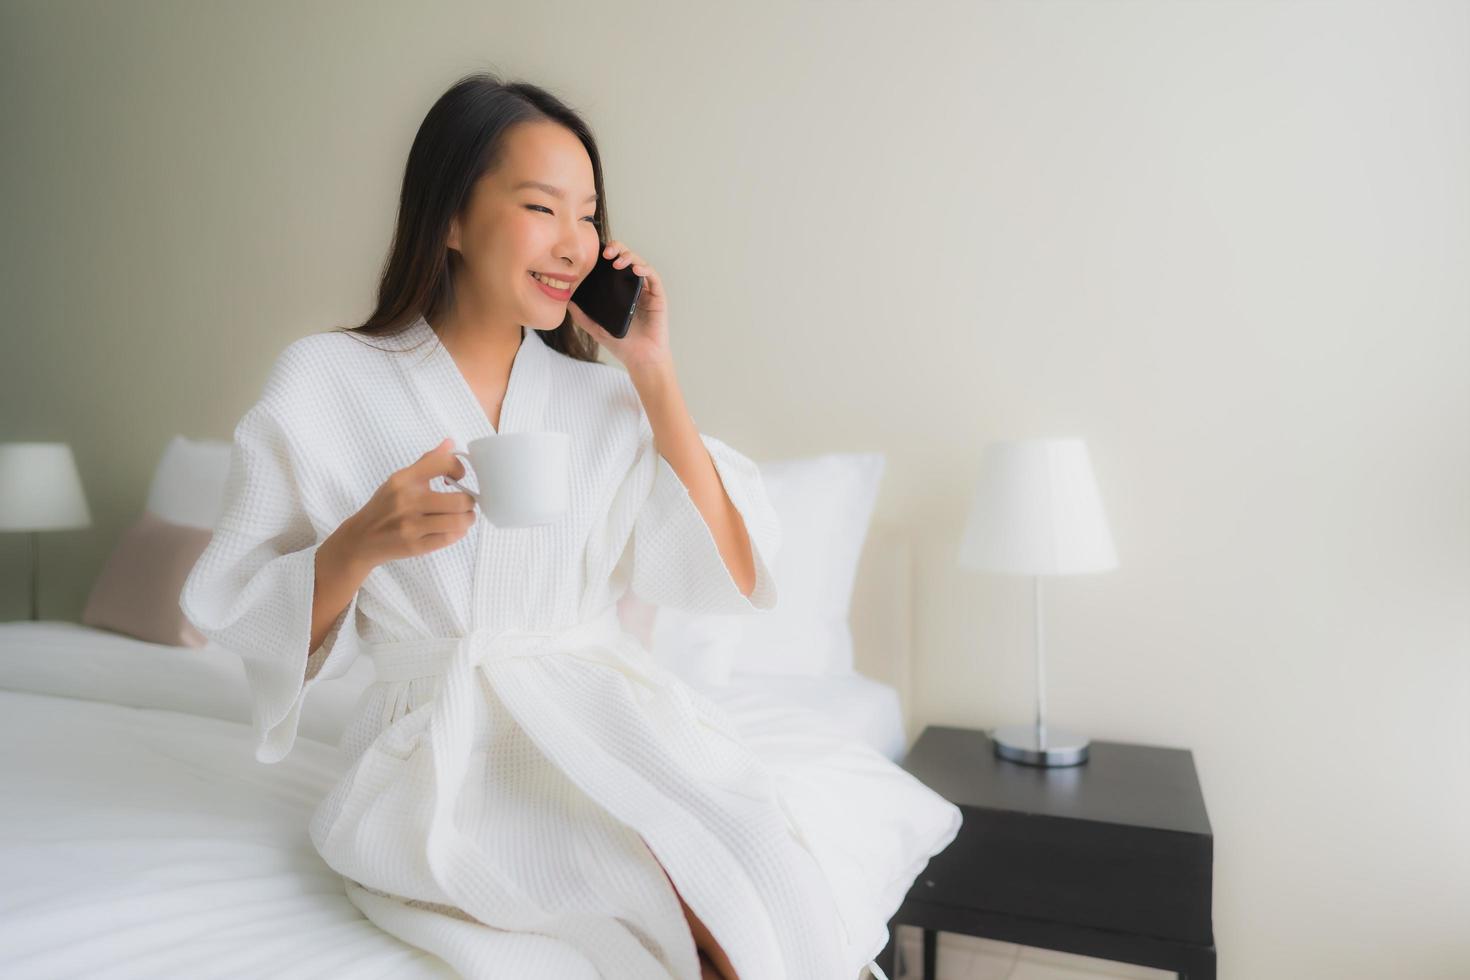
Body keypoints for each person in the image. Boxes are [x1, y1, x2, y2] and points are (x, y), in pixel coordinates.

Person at [180, 71, 960, 980]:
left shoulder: (603, 398)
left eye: (588, 214)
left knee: (754, 876)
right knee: (620, 901)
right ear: (451, 219)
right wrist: (360, 543)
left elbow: (732, 570)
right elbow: (241, 613)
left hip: (606, 716)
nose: (575, 242)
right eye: (542, 207)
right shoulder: (326, 381)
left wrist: (652, 372)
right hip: (440, 745)